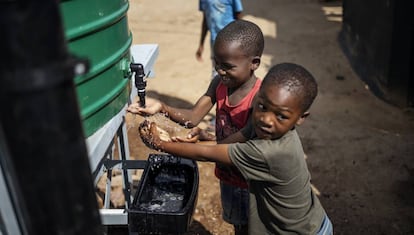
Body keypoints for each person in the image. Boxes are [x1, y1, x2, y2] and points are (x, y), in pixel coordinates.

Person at [138, 63, 333, 235]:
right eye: (262, 107)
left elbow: (207, 154)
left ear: (301, 118)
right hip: (306, 222)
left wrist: (160, 144)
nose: (266, 119)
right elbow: (228, 144)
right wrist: (208, 137)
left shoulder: (271, 152)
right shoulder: (274, 131)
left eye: (281, 116)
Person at [128, 20, 264, 235]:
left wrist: (166, 144)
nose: (221, 70)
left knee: (251, 228)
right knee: (238, 224)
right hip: (228, 174)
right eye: (217, 63)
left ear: (254, 63)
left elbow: (232, 146)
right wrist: (161, 106)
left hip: (251, 182)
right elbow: (192, 118)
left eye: (228, 66)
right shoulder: (219, 83)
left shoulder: (260, 99)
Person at [196, 0, 243, 79]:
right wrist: (201, 44)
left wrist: (241, 40)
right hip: (215, 41)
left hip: (231, 40)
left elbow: (238, 16)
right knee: (217, 72)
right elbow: (205, 20)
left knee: (232, 71)